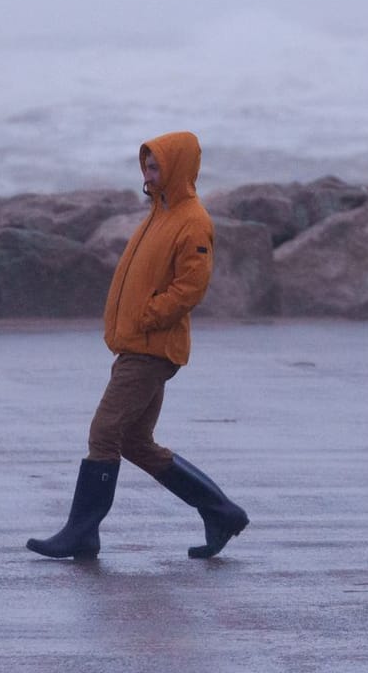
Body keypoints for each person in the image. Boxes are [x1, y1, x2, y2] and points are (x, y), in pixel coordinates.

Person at [26, 130, 249, 561]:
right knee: (134, 442)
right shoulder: (158, 213)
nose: (149, 172)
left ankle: (81, 532)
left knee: (104, 433)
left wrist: (148, 316)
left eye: (158, 165)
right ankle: (221, 512)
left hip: (151, 348)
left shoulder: (192, 220)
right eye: (146, 164)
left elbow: (191, 286)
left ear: (178, 168)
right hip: (137, 344)